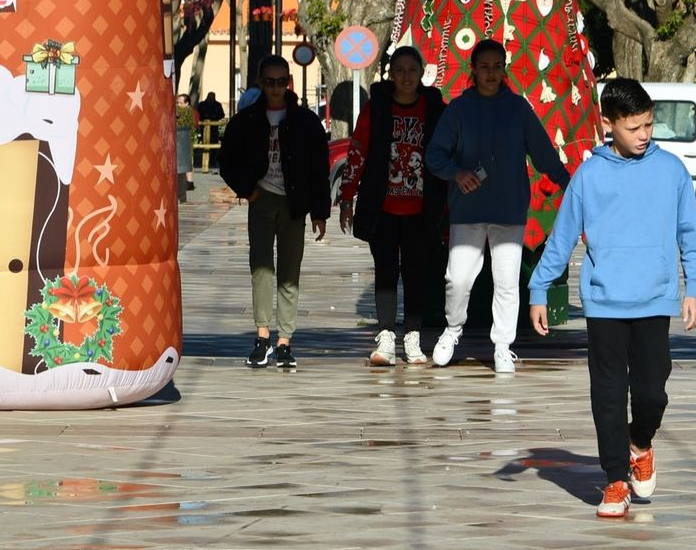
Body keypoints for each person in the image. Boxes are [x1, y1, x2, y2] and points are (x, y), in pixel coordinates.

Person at [529, 78, 696, 519]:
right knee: (608, 394)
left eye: (649, 125)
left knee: (651, 394)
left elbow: (691, 234)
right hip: (605, 302)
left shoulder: (671, 172)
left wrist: (694, 290)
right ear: (608, 125)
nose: (644, 134)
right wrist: (538, 288)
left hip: (655, 299)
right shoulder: (589, 175)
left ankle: (640, 443)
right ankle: (613, 480)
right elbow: (562, 237)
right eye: (634, 127)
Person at [426, 38, 572, 373]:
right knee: (458, 279)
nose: (491, 73)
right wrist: (456, 173)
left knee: (506, 281)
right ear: (473, 70)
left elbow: (545, 155)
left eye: (497, 67)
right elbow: (435, 155)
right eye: (484, 67)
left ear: (504, 70)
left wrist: (571, 185)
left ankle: (503, 346)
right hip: (467, 210)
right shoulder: (459, 109)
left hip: (508, 209)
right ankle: (453, 330)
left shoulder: (518, 109)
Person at [338, 46, 448, 367]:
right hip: (383, 208)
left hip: (421, 210)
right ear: (390, 74)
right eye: (399, 70)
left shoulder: (434, 108)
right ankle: (386, 336)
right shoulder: (377, 108)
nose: (406, 77)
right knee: (386, 274)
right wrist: (347, 197)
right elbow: (358, 151)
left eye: (412, 70)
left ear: (421, 73)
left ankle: (412, 337)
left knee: (417, 274)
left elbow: (449, 150)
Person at [219, 56, 330, 370]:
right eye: (270, 81)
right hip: (262, 198)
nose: (276, 88)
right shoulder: (247, 119)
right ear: (260, 82)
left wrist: (319, 212)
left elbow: (319, 169)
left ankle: (285, 340)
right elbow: (226, 161)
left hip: (295, 202)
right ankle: (262, 335)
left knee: (290, 270)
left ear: (290, 82)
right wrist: (248, 190)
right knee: (261, 268)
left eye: (282, 81)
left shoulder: (306, 122)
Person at [176, 93, 198, 191]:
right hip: (181, 137)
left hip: (186, 137)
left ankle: (189, 182)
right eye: (177, 103)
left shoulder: (189, 112)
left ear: (187, 103)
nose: (178, 105)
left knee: (186, 160)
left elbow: (193, 124)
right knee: (183, 160)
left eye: (180, 103)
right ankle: (186, 182)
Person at [198, 90, 226, 166]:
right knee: (204, 143)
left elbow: (222, 114)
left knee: (214, 143)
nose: (211, 98)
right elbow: (198, 114)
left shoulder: (217, 105)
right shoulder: (202, 104)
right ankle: (203, 161)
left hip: (214, 128)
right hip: (203, 127)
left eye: (213, 97)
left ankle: (213, 161)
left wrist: (215, 117)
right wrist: (204, 117)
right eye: (210, 97)